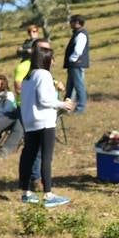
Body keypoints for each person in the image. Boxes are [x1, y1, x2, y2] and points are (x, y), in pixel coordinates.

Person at [18, 43, 74, 207]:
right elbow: (44, 100)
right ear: (46, 60)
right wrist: (63, 105)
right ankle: (48, 195)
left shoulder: (28, 77)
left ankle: (26, 192)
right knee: (46, 158)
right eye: (52, 58)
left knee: (28, 155)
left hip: (30, 122)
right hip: (44, 122)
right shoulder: (44, 74)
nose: (53, 62)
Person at [63, 15, 89, 113]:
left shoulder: (81, 34)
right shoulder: (77, 33)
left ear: (77, 22)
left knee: (79, 86)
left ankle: (80, 108)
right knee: (70, 87)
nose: (70, 23)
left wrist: (72, 59)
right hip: (74, 65)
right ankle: (66, 108)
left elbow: (78, 50)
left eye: (72, 21)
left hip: (76, 64)